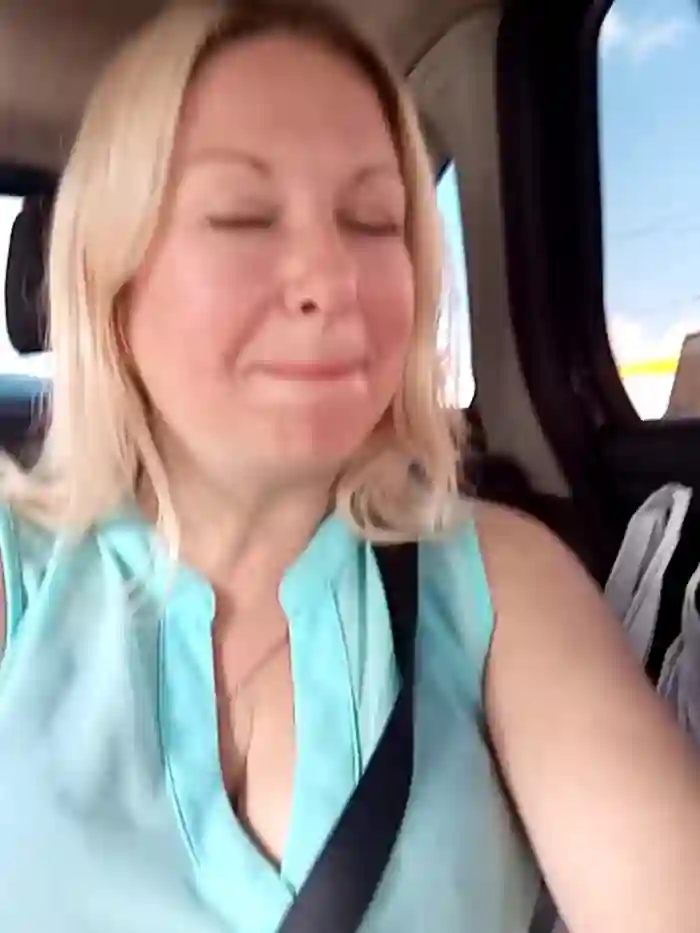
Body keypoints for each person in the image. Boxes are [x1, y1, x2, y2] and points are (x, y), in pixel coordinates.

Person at [0, 2, 699, 931]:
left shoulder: (499, 584)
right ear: (110, 281)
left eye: (375, 221)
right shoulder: (18, 573)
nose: (334, 280)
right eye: (242, 215)